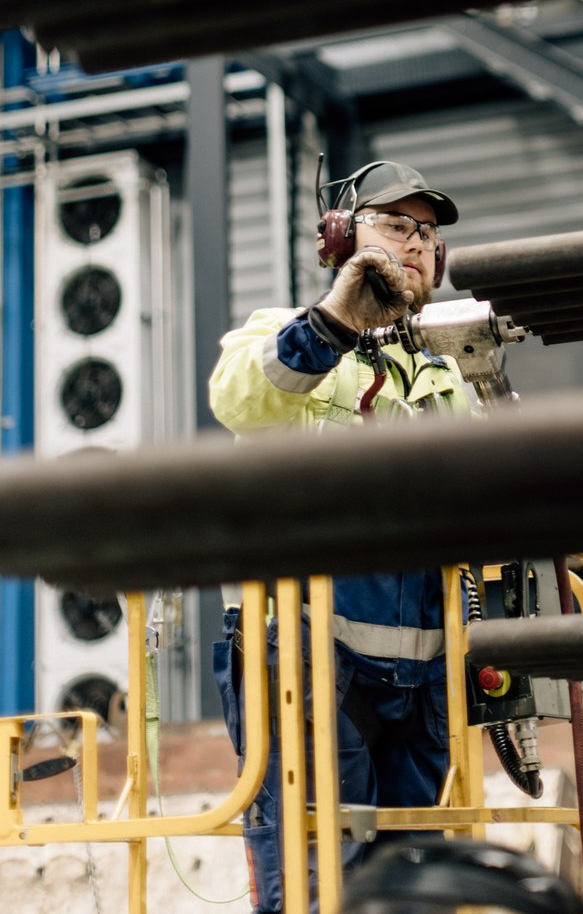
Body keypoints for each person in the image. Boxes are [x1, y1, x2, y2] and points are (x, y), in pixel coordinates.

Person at [208, 160, 472, 914]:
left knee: (417, 885)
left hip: (424, 674)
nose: (417, 244)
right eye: (395, 225)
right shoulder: (284, 335)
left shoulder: (446, 379)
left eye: (427, 233)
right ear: (338, 238)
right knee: (320, 881)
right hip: (304, 659)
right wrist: (335, 320)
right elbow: (240, 402)